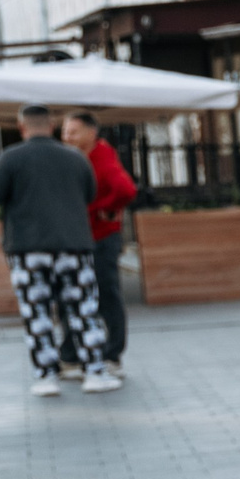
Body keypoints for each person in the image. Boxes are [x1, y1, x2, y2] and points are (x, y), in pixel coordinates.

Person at [0, 103, 118, 396]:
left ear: (22, 127)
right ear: (51, 126)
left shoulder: (11, 157)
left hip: (27, 248)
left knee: (36, 312)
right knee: (83, 310)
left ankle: (46, 377)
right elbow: (89, 194)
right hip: (73, 245)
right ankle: (95, 373)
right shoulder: (75, 157)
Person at [60, 110, 136, 377]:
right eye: (65, 131)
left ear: (91, 133)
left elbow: (126, 190)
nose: (66, 137)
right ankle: (70, 355)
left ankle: (112, 355)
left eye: (73, 131)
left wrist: (103, 209)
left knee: (105, 294)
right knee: (71, 295)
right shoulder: (73, 157)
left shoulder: (102, 157)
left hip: (101, 237)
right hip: (78, 237)